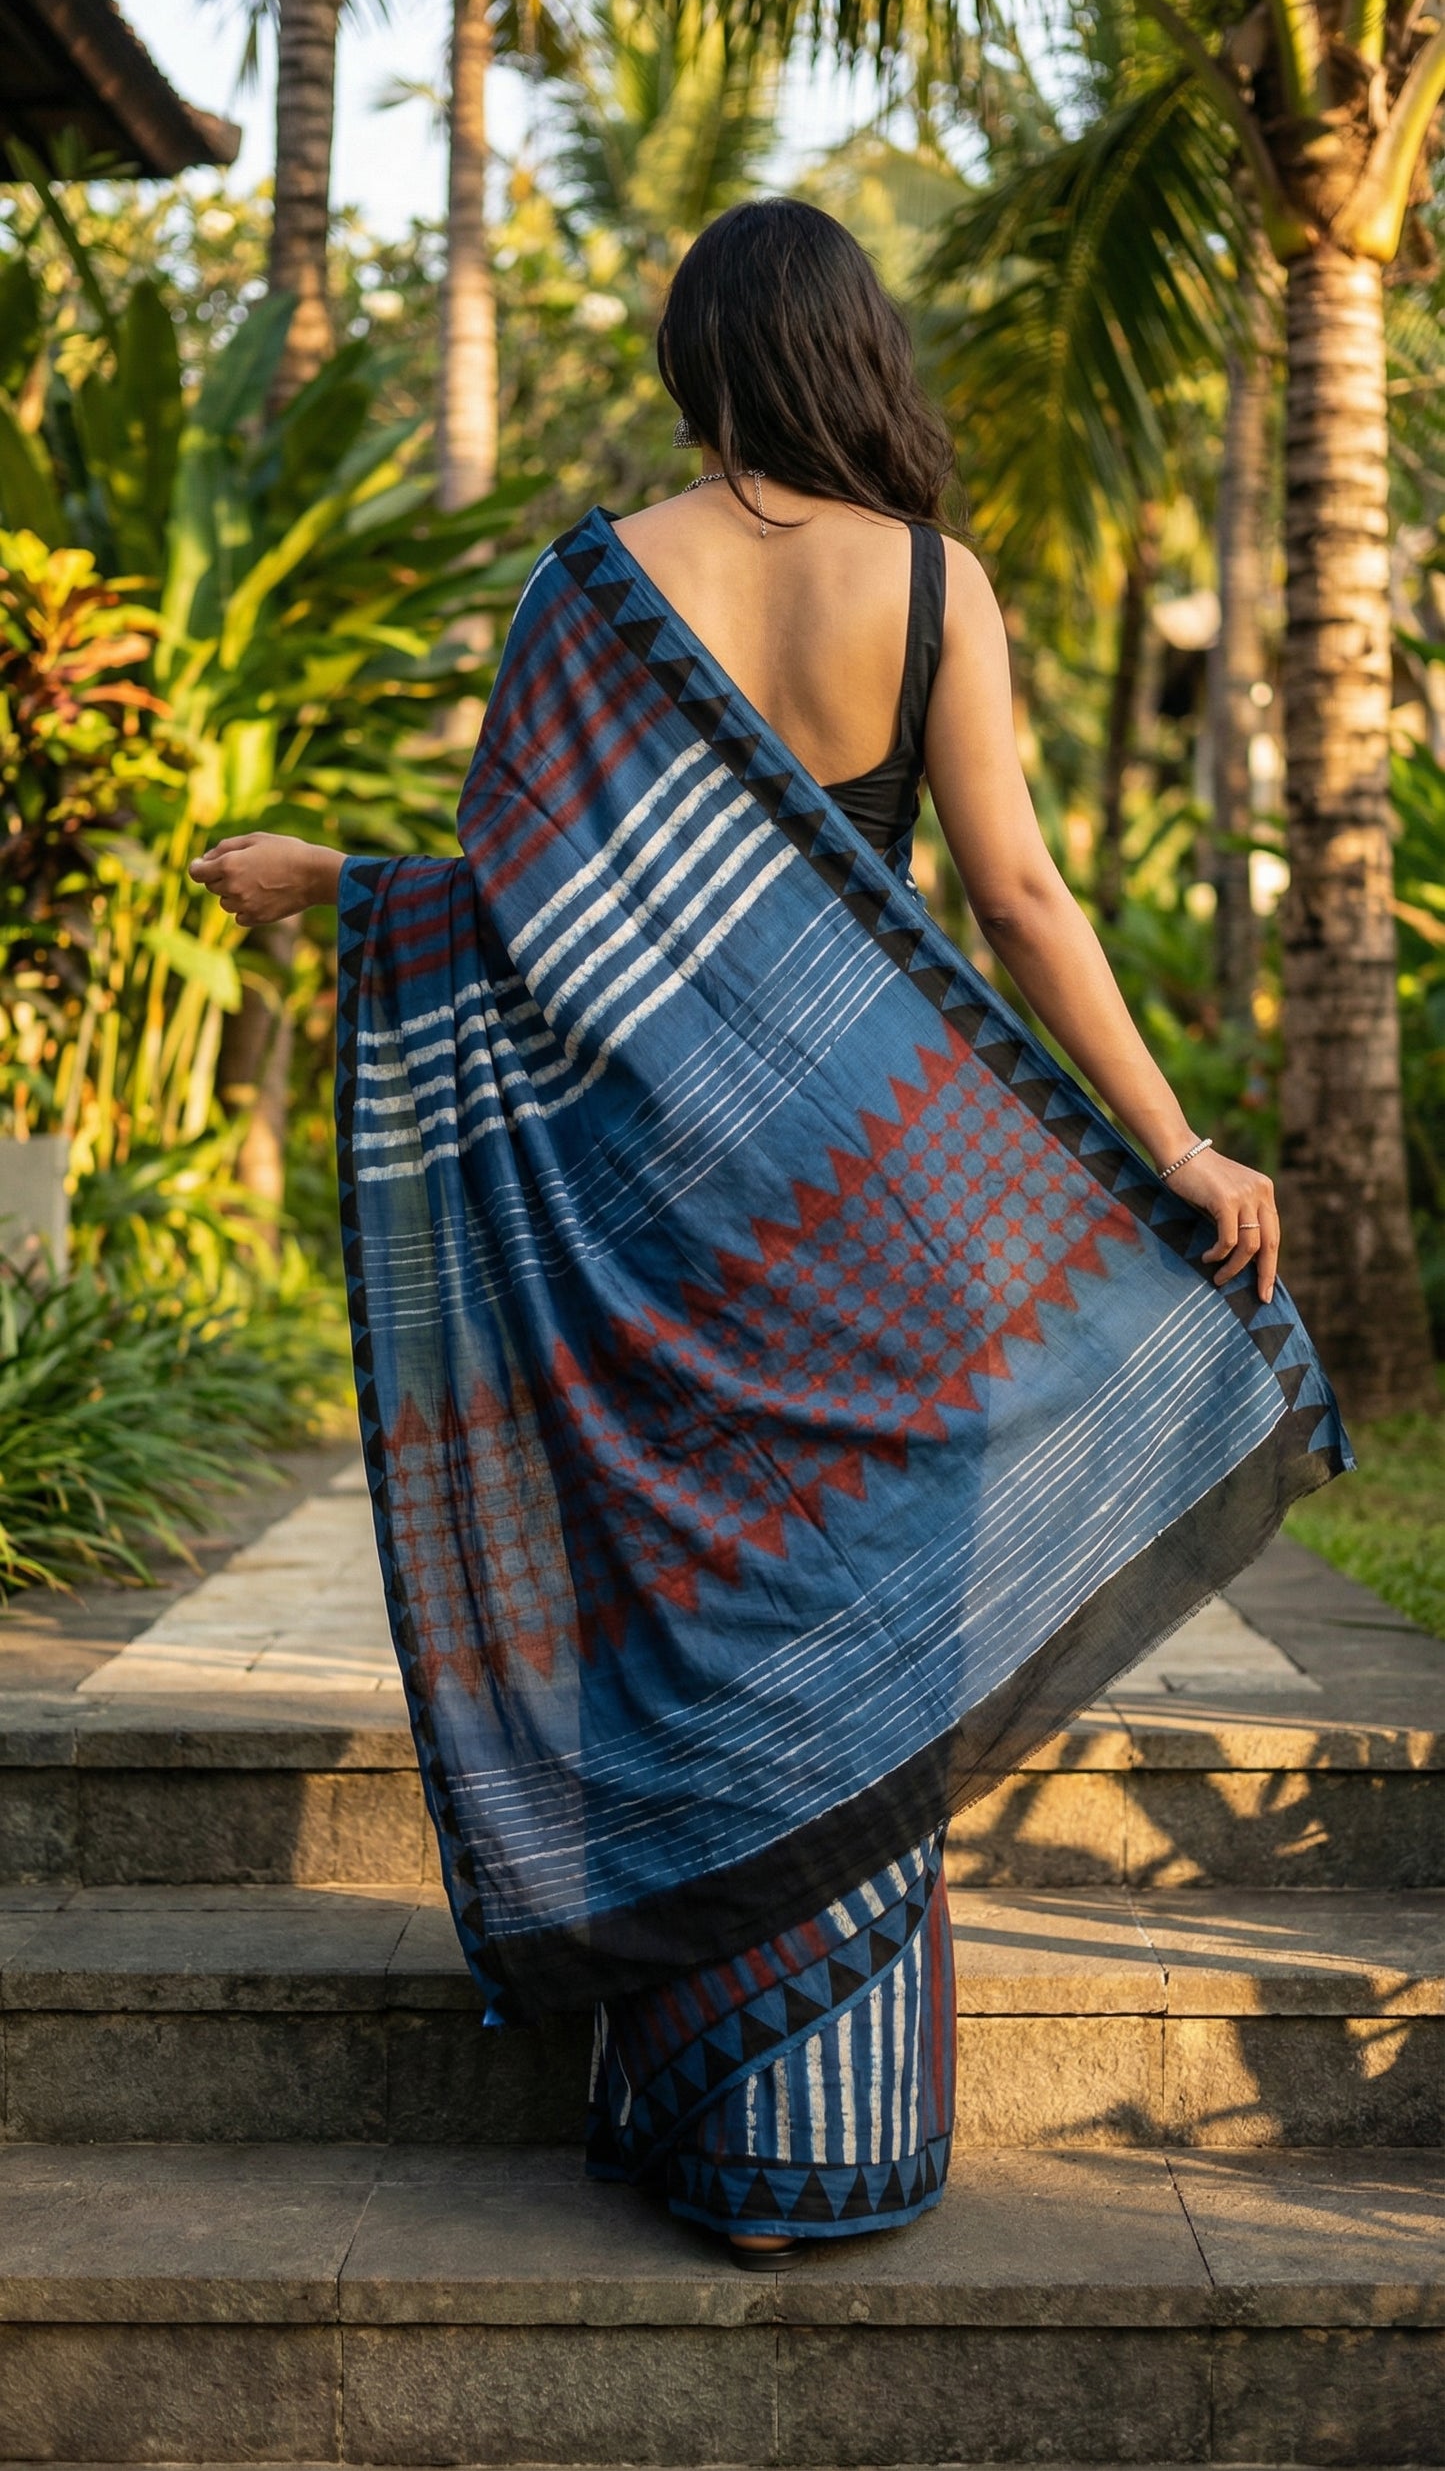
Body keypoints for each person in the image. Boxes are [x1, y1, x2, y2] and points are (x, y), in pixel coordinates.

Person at [192, 198, 1348, 2269]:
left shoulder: (589, 588)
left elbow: (531, 927)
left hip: (663, 1225)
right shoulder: (930, 584)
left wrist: (339, 886)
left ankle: (708, 2125)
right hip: (878, 1212)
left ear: (695, 361)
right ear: (853, 354)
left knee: (691, 1612)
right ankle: (838, 2141)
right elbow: (1021, 901)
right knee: (858, 1621)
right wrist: (1172, 1140)